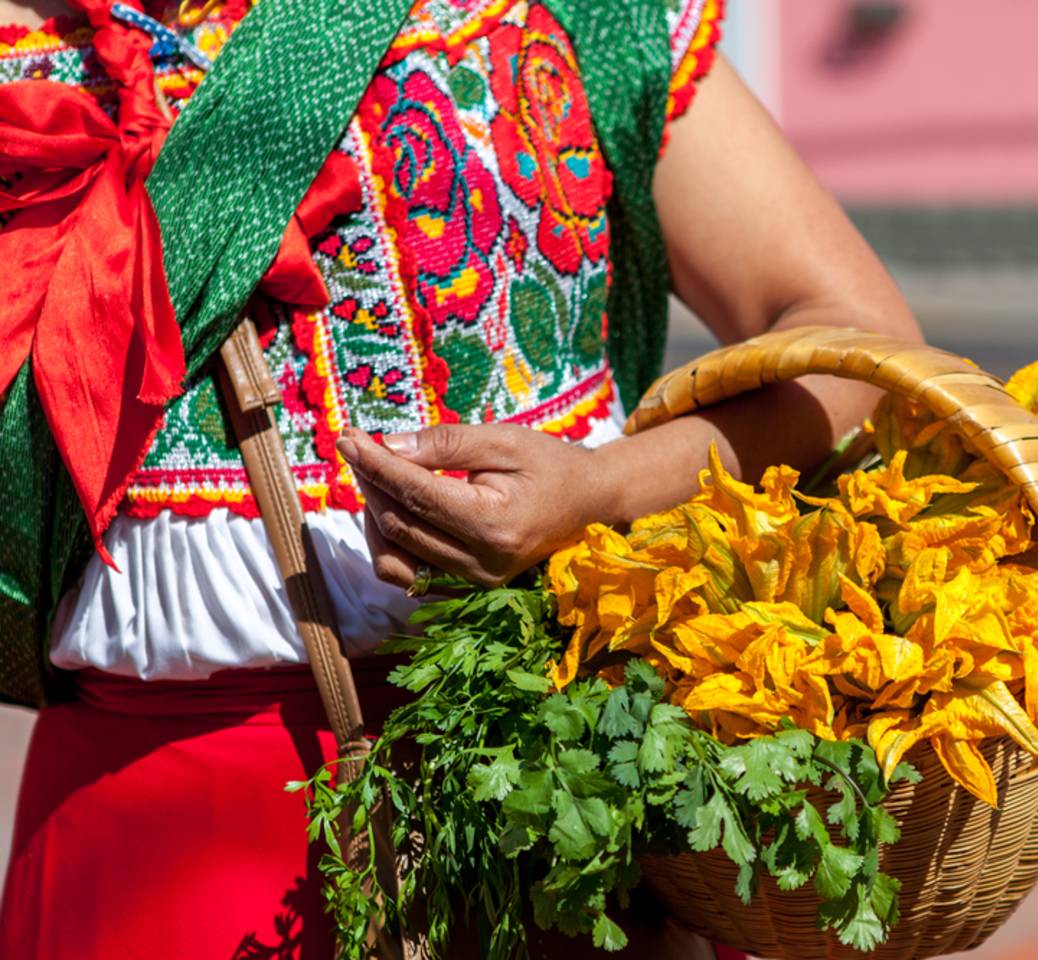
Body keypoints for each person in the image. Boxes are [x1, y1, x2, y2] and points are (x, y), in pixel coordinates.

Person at [0, 0, 921, 956]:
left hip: (559, 804)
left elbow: (854, 341)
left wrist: (604, 491)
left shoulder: (570, 17)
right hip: (149, 853)